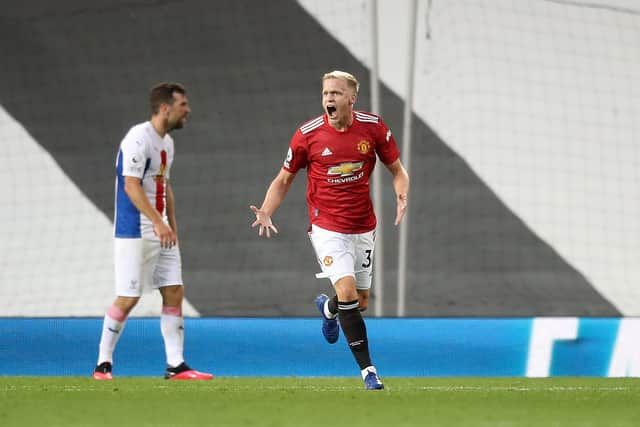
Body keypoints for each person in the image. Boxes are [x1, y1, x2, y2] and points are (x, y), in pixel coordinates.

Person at [250, 71, 409, 390]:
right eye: (325, 94)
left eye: (336, 93)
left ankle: (327, 307)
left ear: (352, 98)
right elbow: (283, 180)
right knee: (349, 292)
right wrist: (266, 210)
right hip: (326, 228)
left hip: (363, 225)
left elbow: (397, 171)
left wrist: (401, 195)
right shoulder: (307, 135)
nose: (329, 99)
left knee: (359, 302)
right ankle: (369, 372)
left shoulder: (373, 128)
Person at [93, 82, 212, 381]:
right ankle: (102, 364)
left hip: (162, 230)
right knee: (128, 297)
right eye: (183, 104)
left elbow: (164, 185)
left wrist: (171, 223)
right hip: (134, 230)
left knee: (174, 291)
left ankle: (176, 365)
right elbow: (131, 185)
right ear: (164, 108)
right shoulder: (138, 139)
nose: (188, 110)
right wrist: (158, 222)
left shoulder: (166, 143)